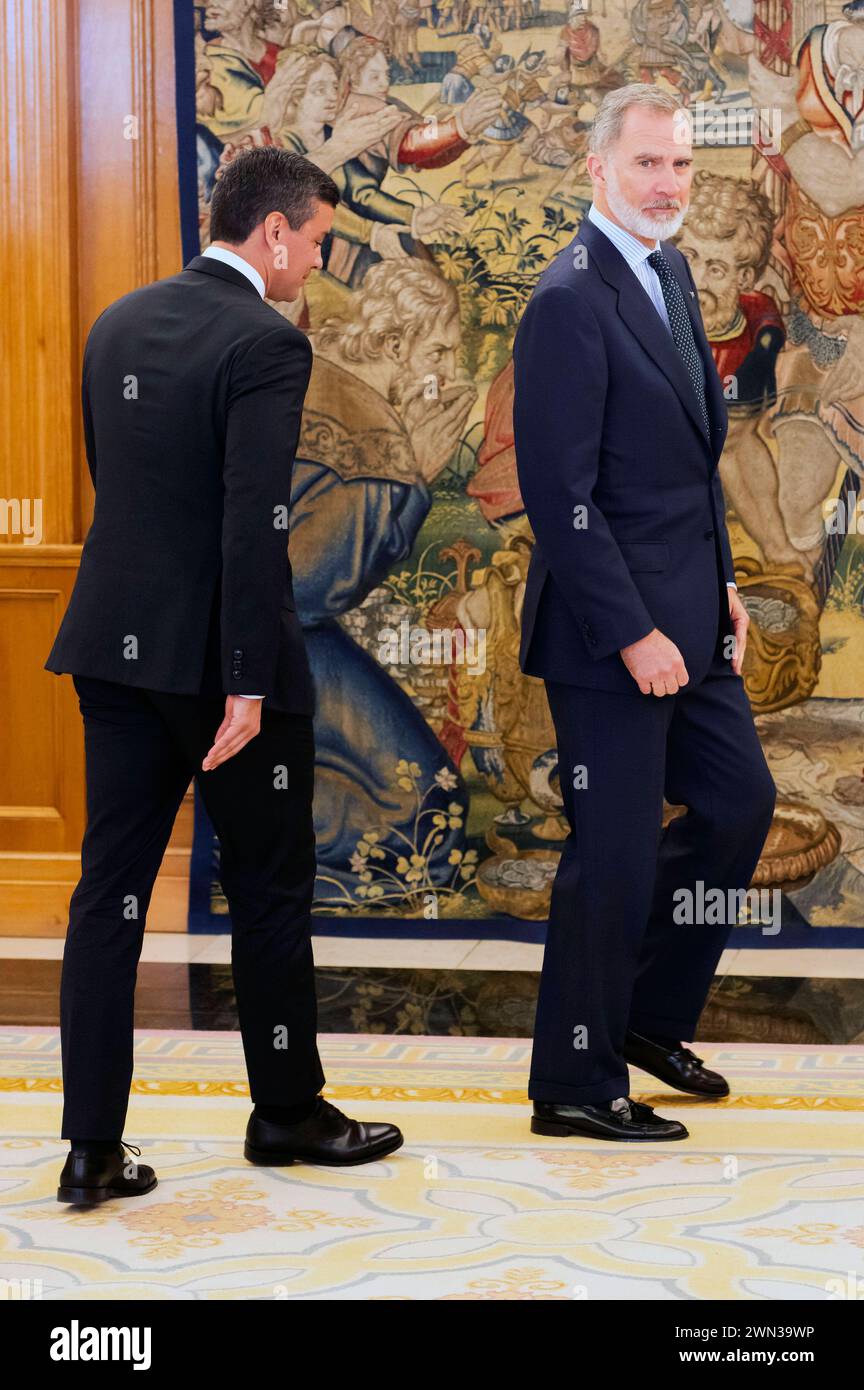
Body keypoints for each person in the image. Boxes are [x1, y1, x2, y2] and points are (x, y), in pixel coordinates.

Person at [45, 147, 404, 1205]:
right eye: (320, 244)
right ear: (276, 233)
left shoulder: (116, 321)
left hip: (111, 648)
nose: (318, 266)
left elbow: (118, 486)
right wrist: (248, 683)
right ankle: (287, 1112)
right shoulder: (266, 340)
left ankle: (90, 1149)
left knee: (107, 895)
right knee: (269, 889)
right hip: (220, 669)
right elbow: (257, 526)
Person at [513, 84, 777, 1143]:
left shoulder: (666, 269)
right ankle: (573, 1081)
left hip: (691, 617)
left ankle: (647, 1017)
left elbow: (687, 468)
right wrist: (634, 631)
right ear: (598, 171)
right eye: (647, 166)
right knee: (613, 854)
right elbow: (561, 496)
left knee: (738, 807)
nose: (667, 185)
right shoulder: (568, 301)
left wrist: (719, 589)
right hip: (606, 632)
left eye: (680, 167)